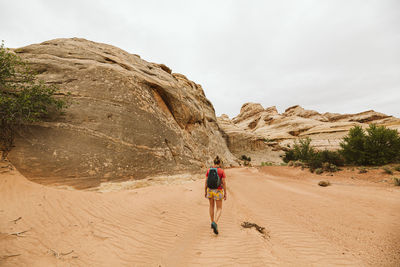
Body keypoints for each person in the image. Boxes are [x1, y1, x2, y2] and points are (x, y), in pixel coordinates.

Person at [205, 156, 227, 235]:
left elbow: (206, 182)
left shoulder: (208, 170)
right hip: (218, 191)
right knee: (219, 208)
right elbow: (223, 183)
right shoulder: (221, 171)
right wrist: (225, 193)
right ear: (219, 163)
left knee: (211, 206)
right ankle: (215, 222)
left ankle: (212, 222)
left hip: (210, 190)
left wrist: (205, 191)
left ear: (214, 163)